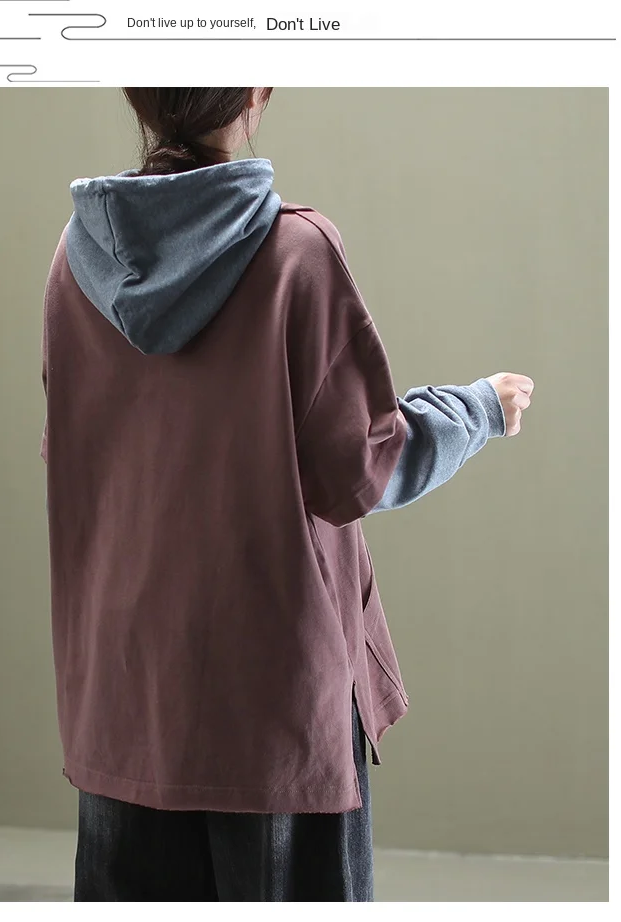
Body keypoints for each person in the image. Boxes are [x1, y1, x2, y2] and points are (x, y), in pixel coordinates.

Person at [40, 87, 534, 902]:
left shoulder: (75, 261)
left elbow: (80, 458)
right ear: (256, 92)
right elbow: (360, 467)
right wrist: (477, 410)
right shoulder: (295, 251)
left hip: (124, 693)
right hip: (271, 699)